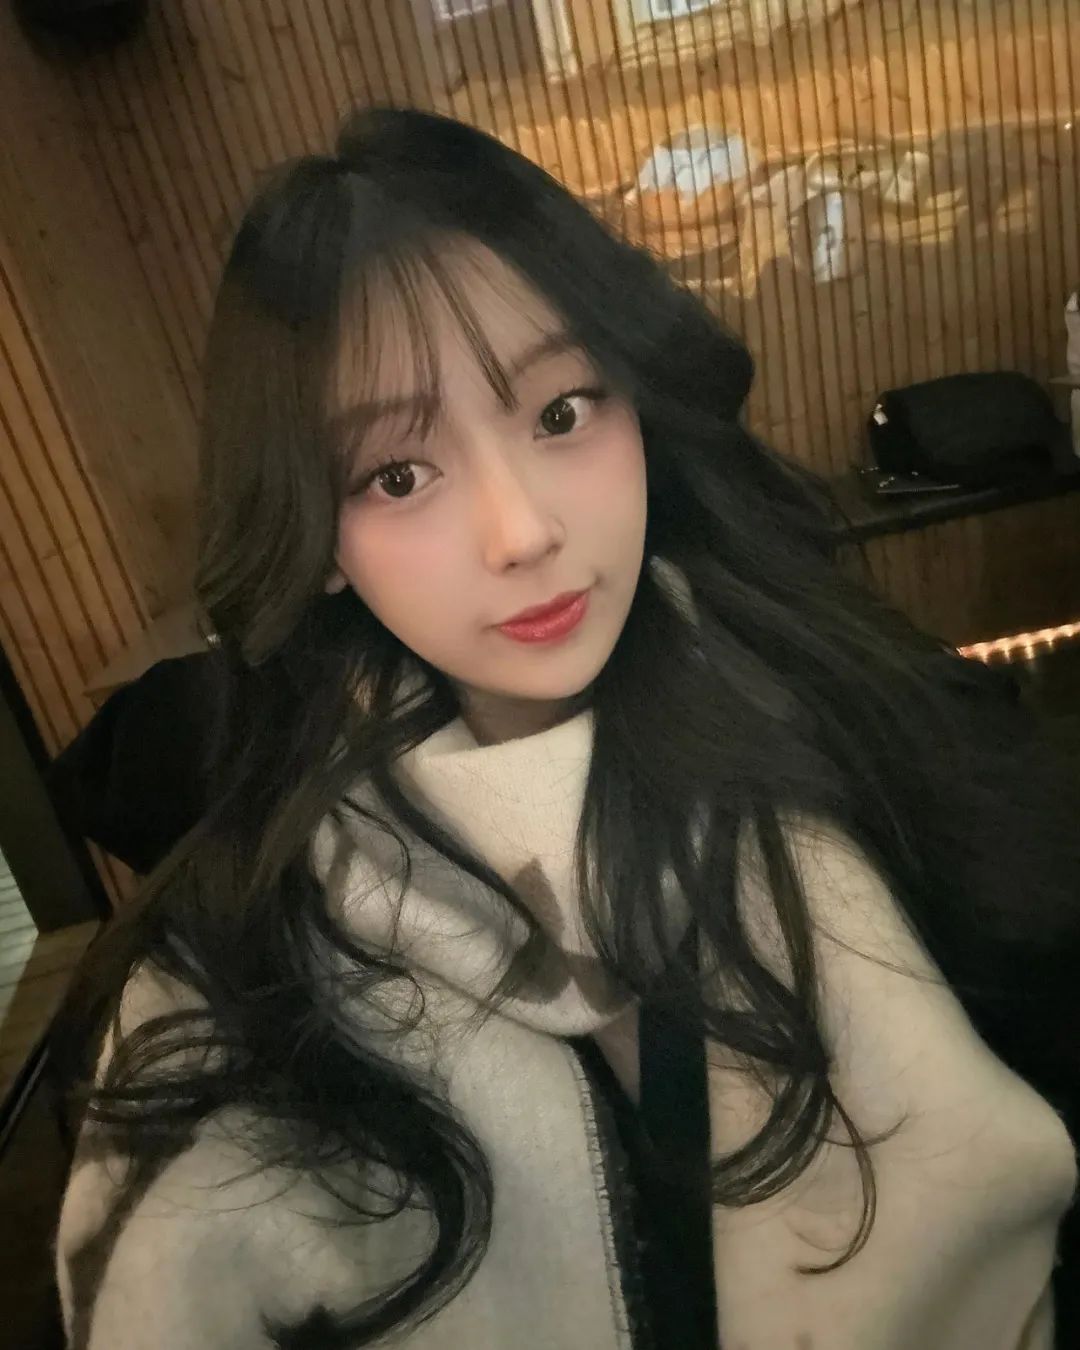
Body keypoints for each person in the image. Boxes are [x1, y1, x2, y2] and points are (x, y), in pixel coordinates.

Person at [51, 106, 1080, 1350]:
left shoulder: (858, 706)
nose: (523, 531)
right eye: (398, 475)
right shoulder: (250, 961)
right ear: (317, 540)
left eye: (561, 412)